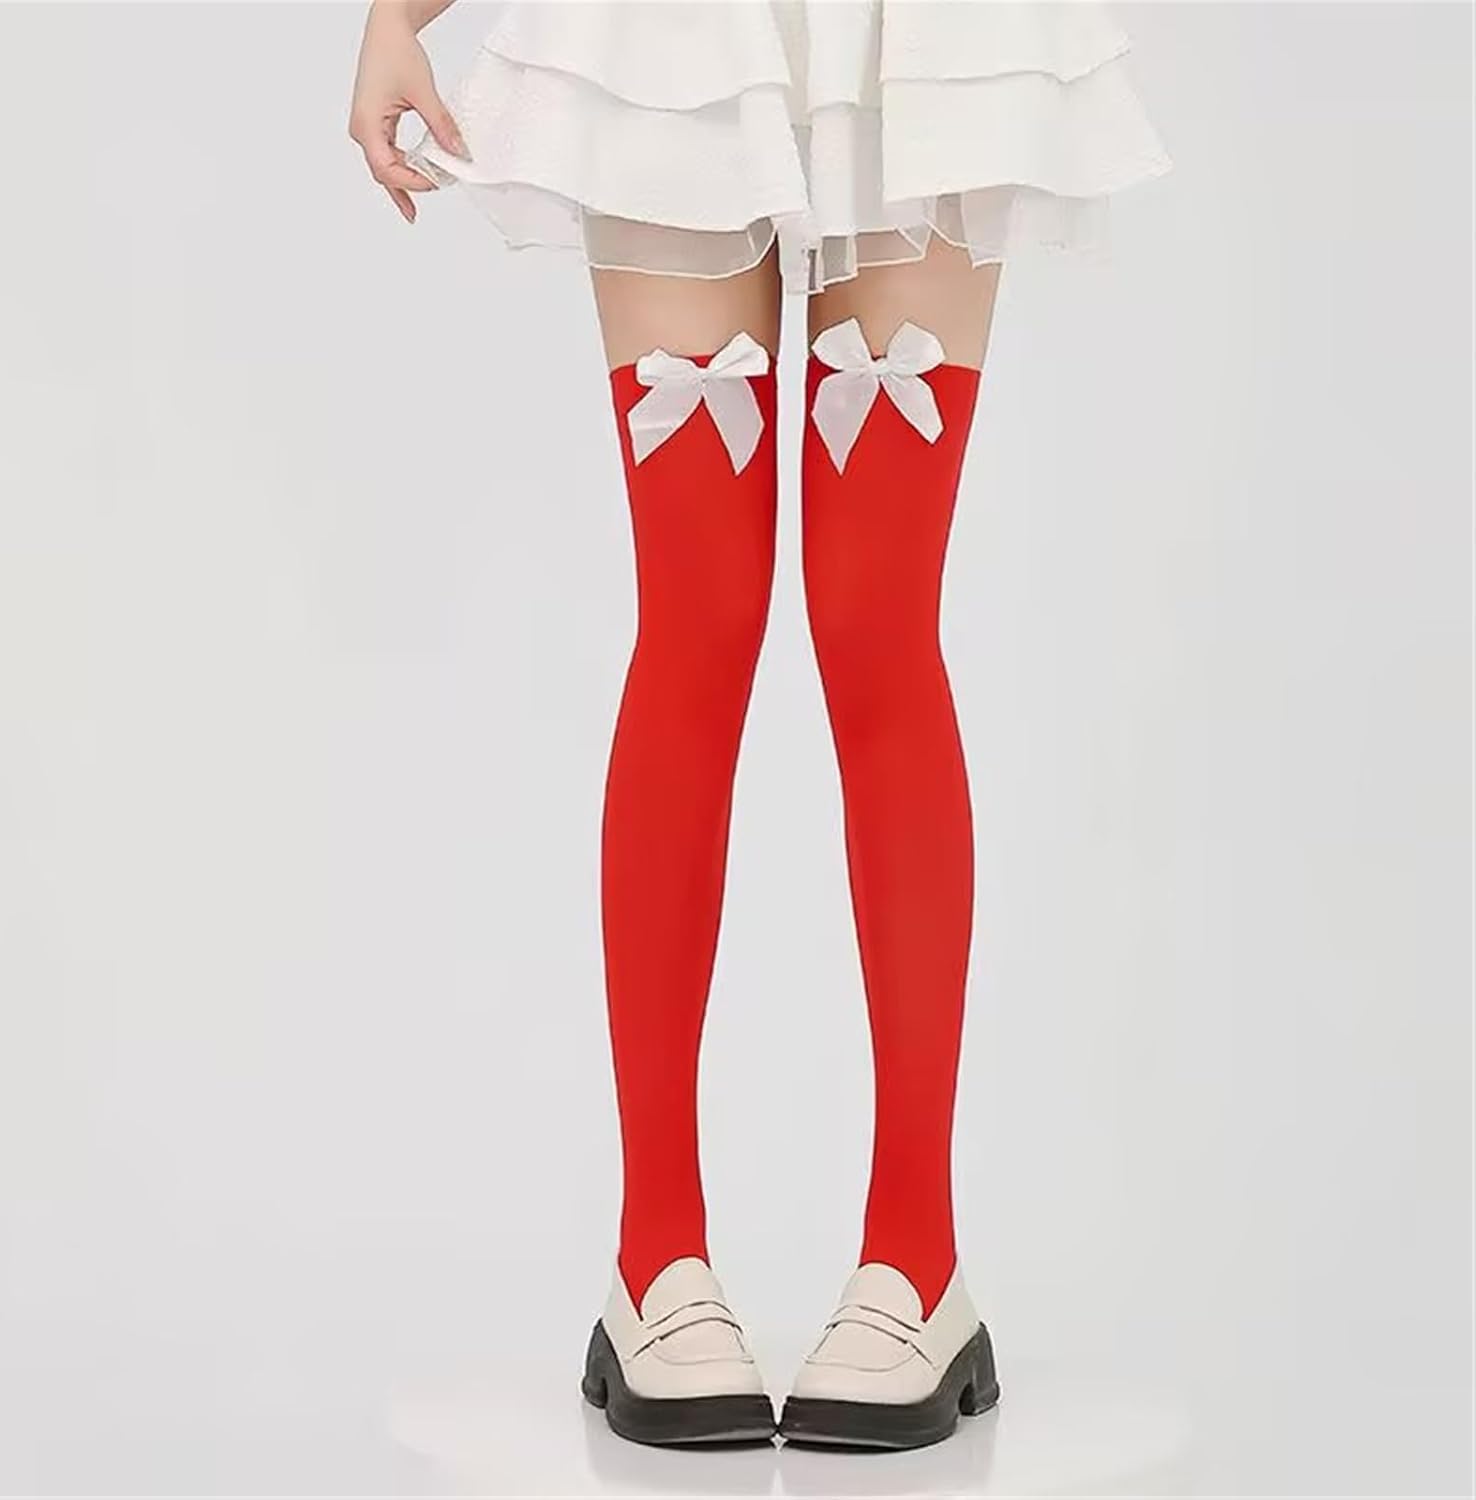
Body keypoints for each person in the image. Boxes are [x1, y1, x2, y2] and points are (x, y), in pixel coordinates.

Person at [349, 0, 1170, 1451]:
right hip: (676, 33)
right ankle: (655, 1256)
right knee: (700, 617)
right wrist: (397, 13)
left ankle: (917, 1257)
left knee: (874, 622)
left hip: (919, 38)